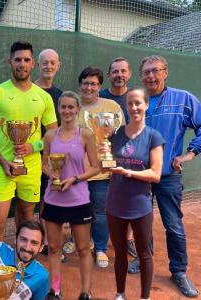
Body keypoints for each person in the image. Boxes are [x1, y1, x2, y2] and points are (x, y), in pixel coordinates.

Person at [0, 41, 57, 242]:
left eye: (26, 60)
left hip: (31, 169)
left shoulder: (43, 97)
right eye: (18, 60)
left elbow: (53, 134)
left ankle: (23, 264)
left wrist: (34, 146)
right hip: (3, 168)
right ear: (10, 62)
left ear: (33, 64)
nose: (22, 64)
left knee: (27, 219)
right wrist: (3, 161)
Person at [140, 55, 201, 298]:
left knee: (173, 225)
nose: (151, 76)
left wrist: (189, 154)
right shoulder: (137, 100)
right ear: (141, 76)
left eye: (155, 71)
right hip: (140, 176)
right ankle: (145, 261)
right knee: (142, 223)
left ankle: (179, 271)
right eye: (146, 72)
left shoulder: (184, 99)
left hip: (168, 176)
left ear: (165, 72)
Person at [100, 87, 164, 300]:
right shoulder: (115, 134)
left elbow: (155, 174)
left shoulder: (153, 136)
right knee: (119, 254)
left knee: (144, 254)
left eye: (138, 103)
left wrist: (127, 172)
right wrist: (103, 159)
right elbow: (105, 165)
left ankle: (145, 297)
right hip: (115, 204)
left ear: (146, 105)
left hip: (140, 206)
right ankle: (120, 294)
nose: (134, 107)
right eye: (130, 104)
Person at [42, 91, 99, 300]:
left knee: (84, 249)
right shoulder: (49, 135)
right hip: (54, 199)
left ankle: (86, 293)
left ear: (77, 110)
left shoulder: (85, 135)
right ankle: (55, 290)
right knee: (55, 248)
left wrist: (74, 179)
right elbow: (43, 164)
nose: (66, 111)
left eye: (70, 107)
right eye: (63, 107)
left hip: (79, 199)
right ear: (58, 109)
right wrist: (53, 174)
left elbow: (95, 167)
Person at [76, 66, 126, 268]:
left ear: (99, 86)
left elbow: (122, 137)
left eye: (94, 84)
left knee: (99, 212)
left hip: (102, 172)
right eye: (86, 83)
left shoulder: (111, 106)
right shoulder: (73, 105)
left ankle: (100, 249)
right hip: (77, 172)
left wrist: (111, 154)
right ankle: (78, 241)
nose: (89, 87)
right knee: (78, 211)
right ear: (80, 85)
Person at [99, 57, 137, 261]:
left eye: (123, 71)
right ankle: (95, 239)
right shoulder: (99, 96)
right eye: (115, 71)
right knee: (98, 200)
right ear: (109, 75)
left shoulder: (136, 98)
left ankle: (128, 238)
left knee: (129, 199)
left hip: (129, 159)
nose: (119, 75)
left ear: (129, 74)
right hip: (101, 160)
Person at [34, 48, 63, 256]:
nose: (49, 66)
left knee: (49, 201)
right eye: (45, 62)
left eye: (52, 62)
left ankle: (45, 242)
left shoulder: (61, 95)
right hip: (26, 156)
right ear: (37, 64)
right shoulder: (29, 91)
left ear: (58, 65)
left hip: (51, 159)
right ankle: (25, 243)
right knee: (25, 206)